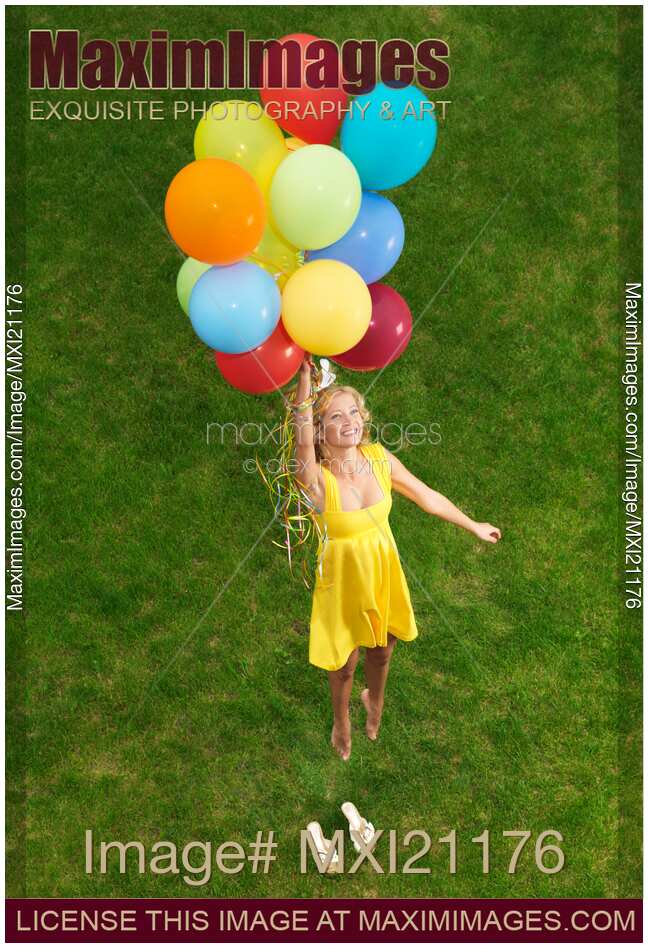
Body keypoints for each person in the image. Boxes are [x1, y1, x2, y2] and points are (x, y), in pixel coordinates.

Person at [291, 353, 502, 761]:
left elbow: (426, 497)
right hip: (343, 581)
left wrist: (472, 524)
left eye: (353, 411)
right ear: (320, 430)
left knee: (383, 650)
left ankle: (375, 701)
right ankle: (341, 721)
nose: (349, 420)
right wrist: (303, 379)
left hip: (382, 571)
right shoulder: (315, 480)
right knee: (344, 666)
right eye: (335, 417)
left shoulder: (378, 459)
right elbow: (299, 437)